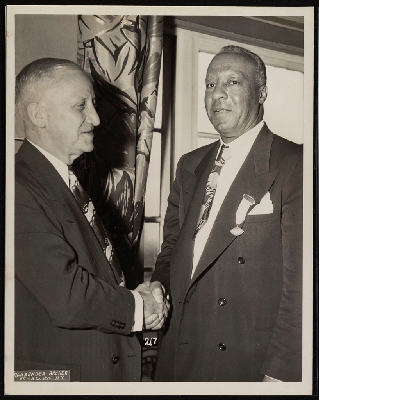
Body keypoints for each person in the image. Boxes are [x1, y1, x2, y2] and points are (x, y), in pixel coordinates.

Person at [150, 45, 303, 382]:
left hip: (245, 358)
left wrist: (281, 372)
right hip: (180, 350)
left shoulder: (295, 163)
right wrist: (159, 286)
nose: (217, 95)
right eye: (209, 84)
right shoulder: (189, 164)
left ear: (261, 92)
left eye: (233, 82)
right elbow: (172, 248)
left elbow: (302, 285)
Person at [14, 58, 169, 382]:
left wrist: (135, 295)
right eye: (80, 106)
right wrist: (139, 308)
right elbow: (66, 295)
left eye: (94, 105)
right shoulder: (16, 187)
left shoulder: (67, 181)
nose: (96, 119)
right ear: (38, 115)